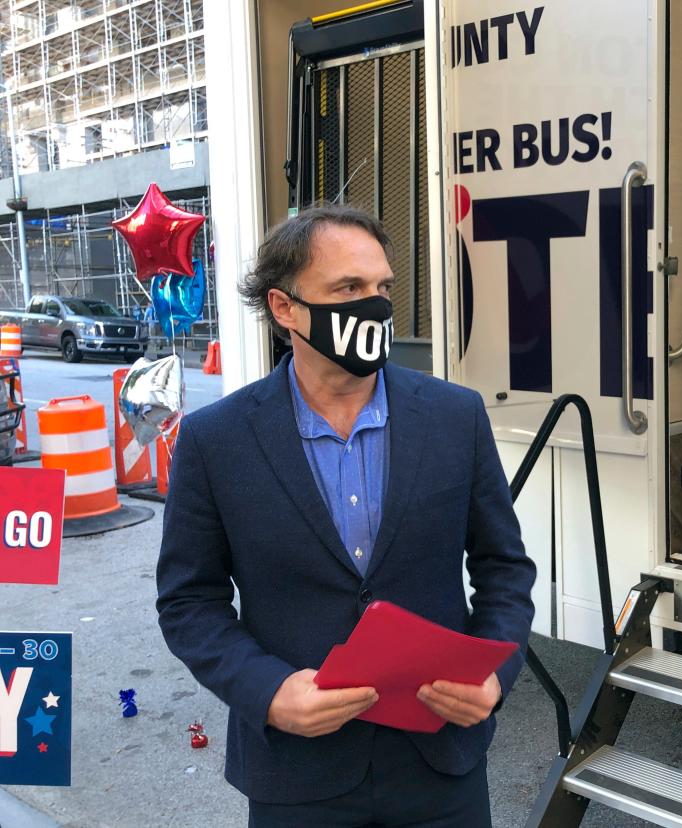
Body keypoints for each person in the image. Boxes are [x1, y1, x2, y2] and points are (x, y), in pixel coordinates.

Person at [156, 205, 536, 826]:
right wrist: (269, 693)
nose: (375, 306)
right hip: (297, 771)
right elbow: (188, 603)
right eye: (349, 289)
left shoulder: (454, 417)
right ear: (284, 309)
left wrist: (494, 671)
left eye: (382, 287)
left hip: (440, 760)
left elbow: (505, 570)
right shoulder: (215, 440)